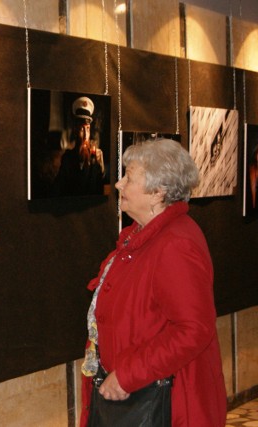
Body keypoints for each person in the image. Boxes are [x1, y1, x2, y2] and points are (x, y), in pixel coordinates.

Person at [80, 138, 226, 426]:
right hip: (139, 398)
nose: (119, 185)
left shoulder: (175, 245)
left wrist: (127, 375)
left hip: (166, 403)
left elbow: (193, 329)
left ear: (158, 193)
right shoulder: (143, 237)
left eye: (129, 178)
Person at [56, 96, 106, 196]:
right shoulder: (67, 158)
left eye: (87, 129)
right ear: (75, 129)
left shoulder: (96, 156)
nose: (86, 135)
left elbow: (100, 187)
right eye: (81, 129)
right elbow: (59, 189)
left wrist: (102, 168)